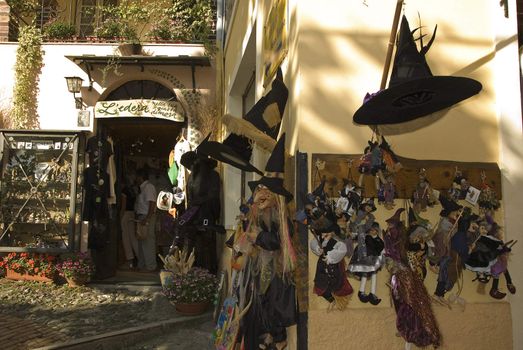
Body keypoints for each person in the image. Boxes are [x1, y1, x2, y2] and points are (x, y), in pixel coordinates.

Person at [134, 168, 157, 272]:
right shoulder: (143, 188)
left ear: (140, 177)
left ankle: (150, 266)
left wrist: (147, 218)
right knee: (141, 241)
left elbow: (152, 203)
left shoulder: (148, 187)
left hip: (146, 216)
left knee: (148, 241)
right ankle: (142, 265)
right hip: (142, 216)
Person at [119, 176, 138, 270]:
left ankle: (130, 260)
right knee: (133, 237)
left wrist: (120, 215)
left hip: (125, 214)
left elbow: (123, 205)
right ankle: (139, 257)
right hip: (132, 213)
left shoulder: (124, 192)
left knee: (125, 237)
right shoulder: (132, 191)